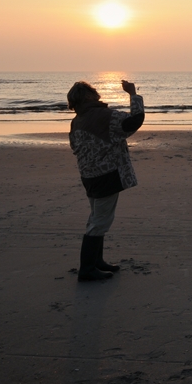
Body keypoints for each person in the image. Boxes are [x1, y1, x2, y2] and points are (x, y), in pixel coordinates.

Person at [66, 79, 144, 282]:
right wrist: (133, 94)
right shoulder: (102, 116)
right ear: (90, 96)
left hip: (88, 176)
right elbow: (134, 121)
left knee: (96, 218)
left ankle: (97, 261)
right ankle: (87, 269)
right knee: (100, 222)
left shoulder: (77, 120)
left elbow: (74, 147)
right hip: (106, 177)